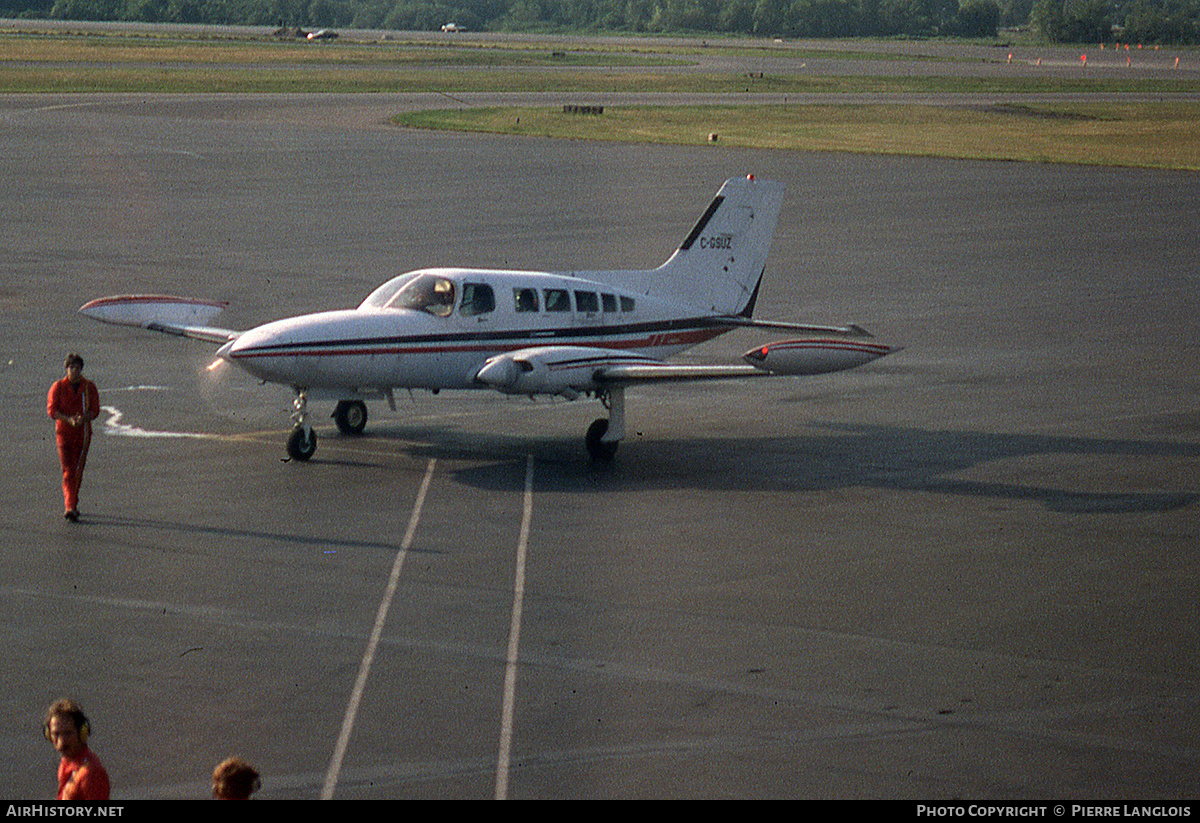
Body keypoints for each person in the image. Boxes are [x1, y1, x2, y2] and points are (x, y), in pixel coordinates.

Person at [47, 353, 100, 521]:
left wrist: (82, 419)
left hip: (82, 434)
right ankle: (69, 505)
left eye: (77, 368)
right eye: (71, 368)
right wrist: (68, 420)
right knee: (68, 470)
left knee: (78, 470)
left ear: (81, 369)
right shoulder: (58, 386)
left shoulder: (88, 387)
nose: (74, 371)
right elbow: (52, 410)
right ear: (66, 369)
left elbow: (95, 410)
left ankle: (73, 503)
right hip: (64, 433)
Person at [44, 699, 110, 801]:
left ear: (81, 733)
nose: (61, 742)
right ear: (49, 735)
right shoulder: (66, 763)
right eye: (56, 734)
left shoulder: (90, 773)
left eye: (68, 733)